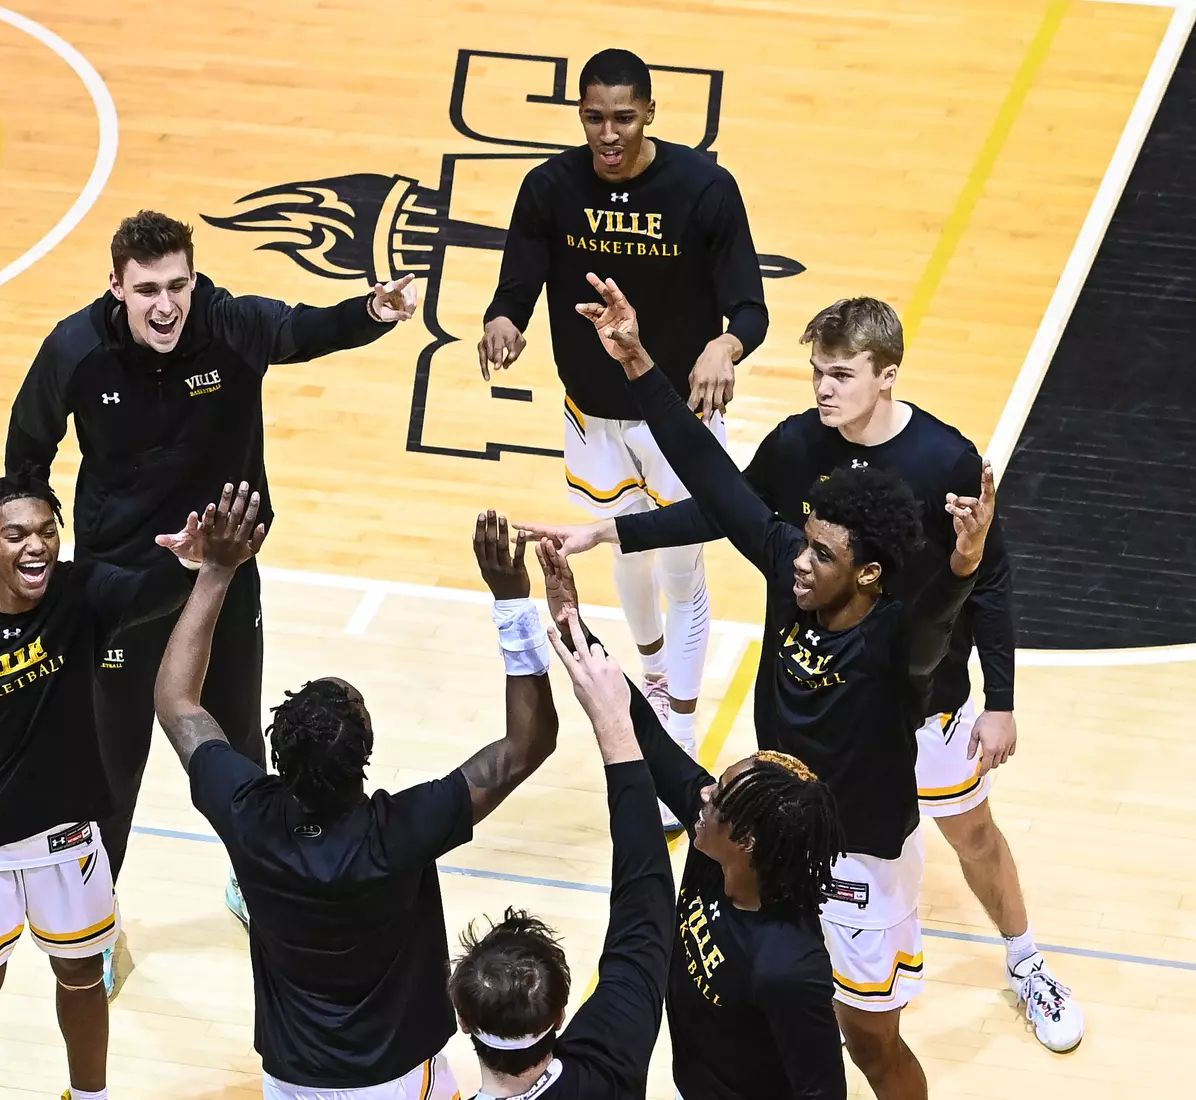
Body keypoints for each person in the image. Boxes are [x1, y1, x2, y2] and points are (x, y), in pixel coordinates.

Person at [520, 297, 1081, 1052]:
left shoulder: (943, 459)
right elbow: (727, 505)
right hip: (826, 710)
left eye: (840, 374)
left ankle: (1025, 959)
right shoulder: (793, 447)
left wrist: (1001, 701)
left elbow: (984, 582)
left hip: (924, 696)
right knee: (811, 869)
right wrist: (612, 528)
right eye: (816, 371)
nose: (822, 388)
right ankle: (824, 989)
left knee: (971, 834)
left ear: (886, 377)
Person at [5, 209, 420, 930]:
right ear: (116, 287)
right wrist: (35, 566)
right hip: (120, 587)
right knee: (113, 768)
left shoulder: (228, 325)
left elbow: (302, 329)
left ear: (194, 279)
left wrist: (371, 311)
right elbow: (25, 456)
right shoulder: (74, 349)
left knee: (235, 741)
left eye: (177, 285)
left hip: (223, 571)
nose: (164, 306)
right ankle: (95, 920)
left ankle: (253, 879)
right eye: (146, 291)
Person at [153, 485, 558, 1100]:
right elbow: (525, 746)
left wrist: (214, 571)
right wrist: (511, 601)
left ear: (279, 756)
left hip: (292, 1078)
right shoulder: (401, 830)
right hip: (396, 1078)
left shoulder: (248, 812)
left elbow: (177, 703)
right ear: (365, 754)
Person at [478, 47, 768, 825]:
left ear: (649, 113)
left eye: (623, 117)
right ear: (581, 116)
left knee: (679, 567)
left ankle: (678, 725)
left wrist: (723, 346)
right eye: (594, 118)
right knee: (620, 553)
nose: (608, 134)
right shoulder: (549, 187)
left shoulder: (703, 189)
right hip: (591, 415)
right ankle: (650, 681)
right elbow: (517, 281)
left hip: (677, 416)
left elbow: (749, 306)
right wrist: (502, 319)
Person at [0, 470, 214, 1100]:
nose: (36, 546)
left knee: (83, 972)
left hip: (68, 831)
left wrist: (190, 566)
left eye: (47, 532)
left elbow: (146, 594)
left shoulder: (81, 590)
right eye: (16, 534)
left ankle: (91, 1095)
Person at [544, 545, 848, 1099]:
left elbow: (823, 1094)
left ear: (749, 840)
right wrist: (575, 626)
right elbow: (647, 734)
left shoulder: (789, 968)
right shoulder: (719, 846)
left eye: (718, 796)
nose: (703, 793)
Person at [448, 602, 673, 1100]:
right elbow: (645, 910)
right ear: (560, 1015)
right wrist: (614, 723)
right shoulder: (610, 1059)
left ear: (462, 1021)